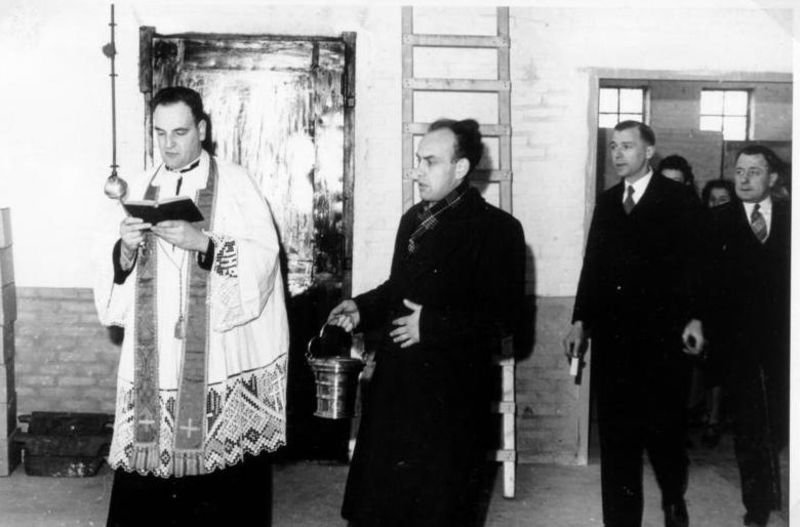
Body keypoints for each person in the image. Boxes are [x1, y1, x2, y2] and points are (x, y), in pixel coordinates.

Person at [93, 86, 289, 526]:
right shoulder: (138, 186)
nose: (168, 145)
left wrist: (204, 243)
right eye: (160, 133)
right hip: (156, 361)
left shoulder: (236, 183)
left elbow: (264, 258)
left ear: (201, 128)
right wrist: (125, 249)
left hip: (217, 355)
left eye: (180, 132)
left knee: (221, 498)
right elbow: (108, 268)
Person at [327, 118, 526, 527]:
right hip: (396, 386)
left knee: (438, 511)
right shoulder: (413, 219)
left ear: (460, 168)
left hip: (451, 398)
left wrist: (432, 324)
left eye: (430, 162)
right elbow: (397, 289)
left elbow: (506, 320)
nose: (417, 171)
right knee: (381, 508)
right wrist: (361, 309)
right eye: (418, 160)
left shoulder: (498, 230)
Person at [563, 121, 705, 527]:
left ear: (649, 151)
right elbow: (593, 265)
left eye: (627, 146)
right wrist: (580, 321)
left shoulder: (678, 199)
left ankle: (673, 496)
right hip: (615, 341)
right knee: (617, 440)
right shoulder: (608, 202)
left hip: (664, 340)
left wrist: (695, 318)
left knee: (664, 435)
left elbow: (698, 266)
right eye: (613, 147)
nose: (618, 154)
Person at [704, 145, 789, 527]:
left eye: (754, 172)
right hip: (737, 343)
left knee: (780, 423)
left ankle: (773, 491)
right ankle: (757, 508)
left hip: (785, 344)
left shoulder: (791, 219)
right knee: (749, 426)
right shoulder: (717, 221)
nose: (744, 179)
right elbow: (700, 279)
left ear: (773, 178)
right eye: (739, 171)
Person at [697, 178, 736, 447]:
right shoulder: (700, 229)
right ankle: (705, 413)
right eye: (712, 200)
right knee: (707, 364)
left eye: (723, 200)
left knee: (720, 365)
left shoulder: (738, 231)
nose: (717, 205)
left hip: (729, 308)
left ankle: (714, 418)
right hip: (704, 306)